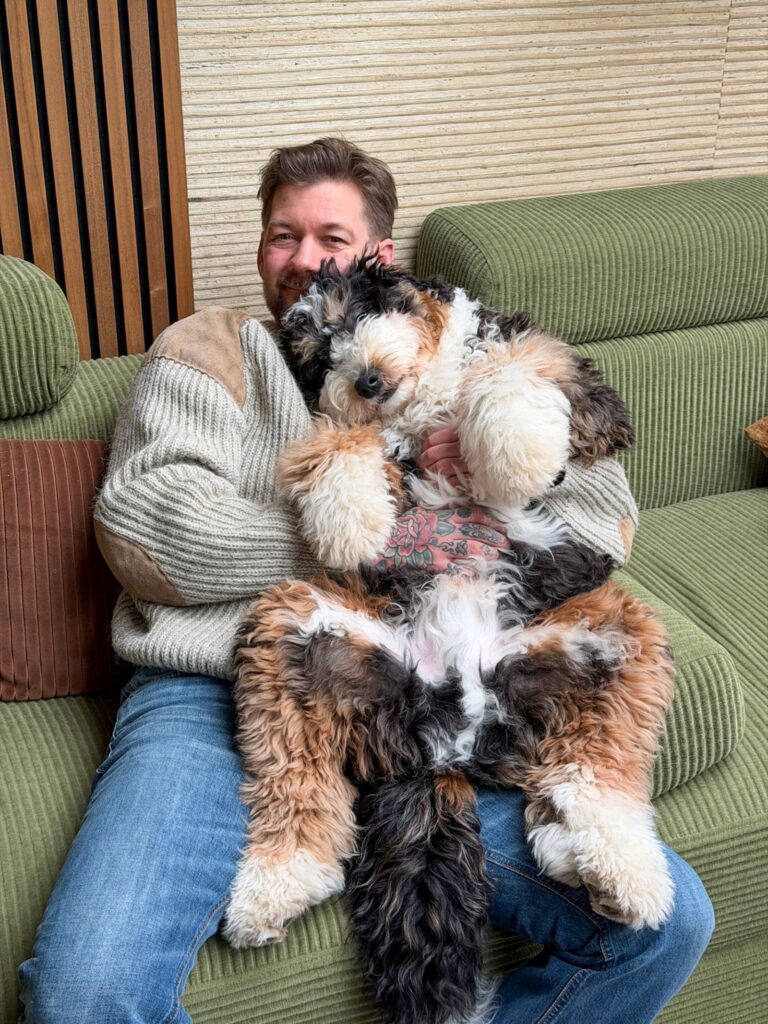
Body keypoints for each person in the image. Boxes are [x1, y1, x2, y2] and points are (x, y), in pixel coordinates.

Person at [18, 137, 714, 1024]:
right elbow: (151, 531)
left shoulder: (458, 338)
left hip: (435, 690)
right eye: (282, 235)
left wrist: (504, 472)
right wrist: (392, 538)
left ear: (377, 253)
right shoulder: (211, 347)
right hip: (208, 691)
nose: (304, 258)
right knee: (85, 991)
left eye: (330, 236)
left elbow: (607, 516)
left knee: (667, 924)